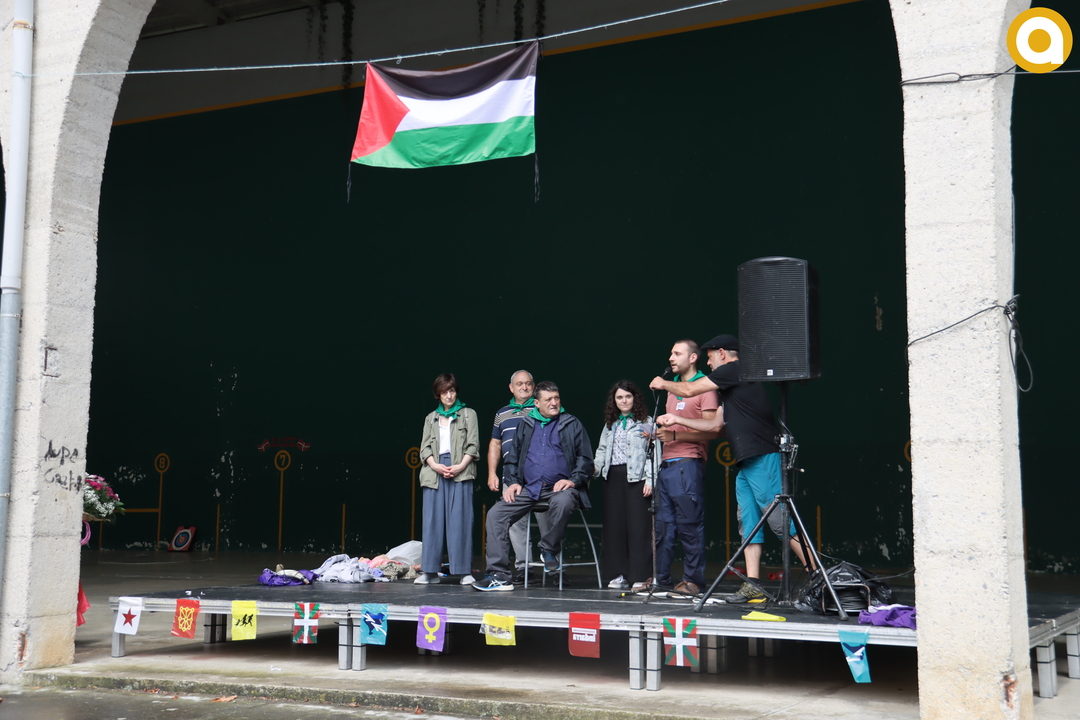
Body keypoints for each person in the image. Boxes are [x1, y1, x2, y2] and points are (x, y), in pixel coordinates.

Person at [651, 334, 811, 603]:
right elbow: (714, 426)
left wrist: (663, 383)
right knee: (748, 522)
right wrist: (677, 420)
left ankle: (816, 575)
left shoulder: (734, 369)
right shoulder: (728, 385)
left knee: (779, 521)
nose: (709, 363)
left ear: (722, 353)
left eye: (710, 357)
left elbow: (689, 390)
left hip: (762, 455)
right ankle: (753, 583)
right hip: (746, 460)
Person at [473, 381, 594, 592]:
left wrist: (573, 480)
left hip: (560, 489)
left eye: (556, 398)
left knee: (564, 502)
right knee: (495, 515)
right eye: (548, 400)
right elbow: (512, 459)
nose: (554, 403)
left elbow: (586, 459)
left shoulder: (571, 423)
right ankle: (499, 575)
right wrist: (512, 482)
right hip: (530, 489)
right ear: (536, 403)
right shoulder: (526, 424)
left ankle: (548, 548)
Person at [640, 340, 720, 599]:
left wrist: (675, 435)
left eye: (677, 353)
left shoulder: (706, 387)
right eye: (671, 353)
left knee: (689, 525)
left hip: (688, 463)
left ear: (693, 357)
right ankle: (660, 578)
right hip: (666, 464)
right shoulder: (672, 389)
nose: (671, 358)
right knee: (663, 527)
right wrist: (659, 433)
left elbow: (712, 430)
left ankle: (693, 581)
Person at [593, 380, 658, 590]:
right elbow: (602, 450)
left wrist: (650, 480)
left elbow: (655, 452)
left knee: (638, 527)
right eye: (619, 397)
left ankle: (640, 576)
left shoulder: (646, 422)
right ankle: (617, 574)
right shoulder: (610, 423)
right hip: (613, 478)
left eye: (628, 396)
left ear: (634, 398)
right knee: (614, 527)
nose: (624, 401)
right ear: (614, 401)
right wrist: (595, 468)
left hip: (637, 479)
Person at [416, 373, 479, 585]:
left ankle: (463, 571)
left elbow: (473, 445)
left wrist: (460, 466)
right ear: (438, 395)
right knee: (432, 521)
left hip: (460, 469)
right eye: (444, 392)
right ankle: (429, 571)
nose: (449, 395)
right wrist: (435, 465)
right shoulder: (430, 418)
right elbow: (424, 447)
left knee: (460, 520)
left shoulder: (469, 414)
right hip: (434, 471)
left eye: (451, 391)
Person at [487, 370, 549, 582]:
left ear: (534, 387)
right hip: (511, 478)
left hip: (540, 478)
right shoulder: (502, 414)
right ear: (511, 388)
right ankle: (525, 569)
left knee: (548, 522)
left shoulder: (542, 408)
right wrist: (492, 473)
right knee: (515, 525)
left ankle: (555, 567)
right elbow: (495, 444)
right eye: (519, 384)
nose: (524, 387)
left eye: (528, 383)